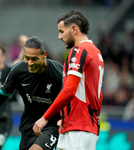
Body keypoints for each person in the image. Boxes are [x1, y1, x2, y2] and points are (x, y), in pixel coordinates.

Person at [0, 36, 63, 150]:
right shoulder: (18, 71)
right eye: (27, 58)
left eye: (34, 59)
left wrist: (66, 117)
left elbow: (71, 94)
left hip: (51, 124)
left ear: (44, 54)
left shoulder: (58, 71)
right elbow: (2, 94)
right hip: (29, 124)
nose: (30, 63)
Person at [33, 10, 104, 150]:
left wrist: (45, 118)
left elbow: (69, 90)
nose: (59, 37)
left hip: (78, 129)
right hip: (81, 126)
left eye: (62, 31)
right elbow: (95, 94)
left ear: (74, 29)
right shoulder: (96, 52)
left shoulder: (79, 51)